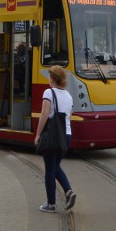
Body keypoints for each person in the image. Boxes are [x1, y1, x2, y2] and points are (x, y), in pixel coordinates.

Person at [33, 65, 77, 213]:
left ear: (52, 78)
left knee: (50, 170)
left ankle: (51, 204)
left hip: (53, 135)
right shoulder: (69, 96)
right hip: (67, 135)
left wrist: (38, 134)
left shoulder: (49, 92)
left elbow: (44, 115)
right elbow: (69, 116)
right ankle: (69, 192)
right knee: (55, 166)